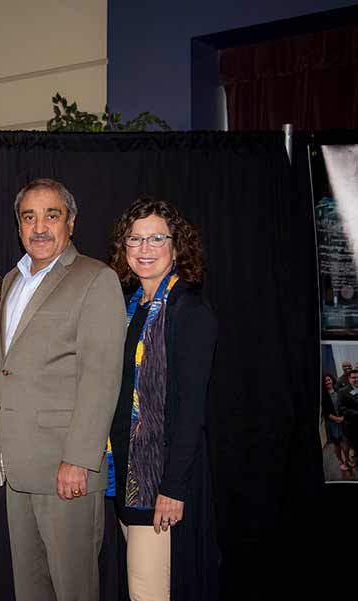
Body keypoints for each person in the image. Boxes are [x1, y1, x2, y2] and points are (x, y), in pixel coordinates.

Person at [0, 178, 126, 601]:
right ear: (18, 225)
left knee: (74, 590)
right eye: (29, 216)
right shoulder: (12, 279)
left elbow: (101, 377)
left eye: (52, 214)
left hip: (65, 469)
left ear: (71, 221)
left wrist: (79, 460)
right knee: (30, 590)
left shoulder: (95, 279)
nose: (40, 226)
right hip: (16, 468)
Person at [106, 197, 219, 601]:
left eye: (156, 238)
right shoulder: (132, 307)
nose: (145, 249)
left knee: (148, 593)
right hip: (127, 478)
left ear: (176, 246)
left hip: (159, 484)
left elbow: (192, 409)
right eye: (135, 239)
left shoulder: (189, 310)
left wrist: (172, 487)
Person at [322, 373, 353, 471]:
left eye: (329, 380)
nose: (328, 382)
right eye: (325, 381)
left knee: (345, 442)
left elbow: (345, 404)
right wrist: (336, 419)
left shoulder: (338, 390)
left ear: (332, 380)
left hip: (343, 420)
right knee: (336, 444)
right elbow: (325, 412)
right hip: (332, 423)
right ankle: (341, 462)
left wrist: (343, 417)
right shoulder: (322, 395)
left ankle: (347, 459)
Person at [336, 369, 358, 466]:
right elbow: (340, 409)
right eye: (353, 378)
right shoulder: (342, 392)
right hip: (353, 427)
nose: (356, 379)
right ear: (349, 379)